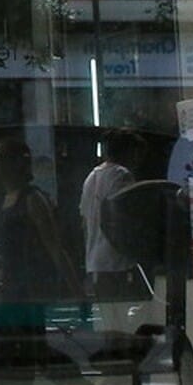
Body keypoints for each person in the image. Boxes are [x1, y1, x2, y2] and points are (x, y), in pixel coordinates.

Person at [0, 135, 84, 385]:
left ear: (14, 163)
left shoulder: (32, 200)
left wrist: (77, 290)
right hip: (12, 290)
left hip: (27, 292)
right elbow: (9, 251)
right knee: (11, 353)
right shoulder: (9, 199)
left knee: (31, 353)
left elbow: (55, 247)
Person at [79, 129, 143, 333]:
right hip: (117, 262)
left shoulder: (91, 177)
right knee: (123, 321)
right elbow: (127, 217)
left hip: (95, 262)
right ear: (129, 152)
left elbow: (84, 220)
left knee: (107, 320)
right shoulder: (122, 175)